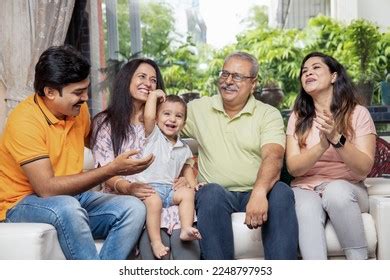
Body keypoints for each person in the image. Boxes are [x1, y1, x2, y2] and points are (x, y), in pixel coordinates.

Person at [0, 45, 153, 260]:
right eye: (78, 92)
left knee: (133, 208)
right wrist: (111, 170)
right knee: (68, 207)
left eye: (86, 89)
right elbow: (46, 189)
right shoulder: (25, 121)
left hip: (71, 198)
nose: (86, 98)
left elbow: (98, 144)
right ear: (50, 92)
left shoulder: (77, 112)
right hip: (21, 203)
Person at [182, 51, 299, 260]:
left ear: (253, 83)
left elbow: (273, 157)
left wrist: (259, 192)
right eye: (224, 74)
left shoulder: (267, 114)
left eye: (237, 76)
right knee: (210, 194)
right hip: (217, 194)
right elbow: (162, 125)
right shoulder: (198, 109)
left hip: (255, 189)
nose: (228, 81)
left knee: (281, 192)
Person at [90, 58, 201, 260]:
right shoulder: (106, 123)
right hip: (130, 200)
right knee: (155, 252)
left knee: (187, 249)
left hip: (167, 197)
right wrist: (127, 187)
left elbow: (177, 157)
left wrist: (185, 178)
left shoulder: (163, 123)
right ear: (126, 80)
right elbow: (103, 171)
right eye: (141, 77)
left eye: (153, 80)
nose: (148, 83)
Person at [285, 52, 376, 259]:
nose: (308, 73)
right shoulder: (298, 118)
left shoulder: (358, 113)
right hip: (306, 187)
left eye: (316, 67)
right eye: (304, 71)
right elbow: (293, 168)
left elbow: (363, 168)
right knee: (305, 207)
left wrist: (337, 138)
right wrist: (322, 145)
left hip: (348, 188)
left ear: (334, 76)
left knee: (336, 192)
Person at [136, 92, 201, 259]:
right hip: (150, 188)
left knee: (187, 194)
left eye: (178, 116)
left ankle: (186, 228)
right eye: (166, 114)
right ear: (156, 118)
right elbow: (148, 115)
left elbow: (187, 168)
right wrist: (154, 95)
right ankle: (156, 241)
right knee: (154, 202)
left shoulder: (184, 147)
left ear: (183, 123)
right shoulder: (153, 136)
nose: (172, 119)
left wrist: (192, 184)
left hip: (170, 189)